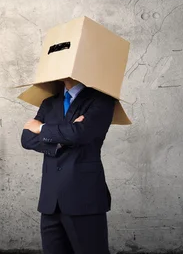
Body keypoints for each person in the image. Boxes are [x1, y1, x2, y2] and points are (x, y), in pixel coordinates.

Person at [21, 78, 115, 254]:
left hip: (84, 197)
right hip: (50, 201)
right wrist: (62, 138)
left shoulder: (102, 100)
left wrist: (41, 128)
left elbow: (80, 134)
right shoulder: (49, 103)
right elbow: (26, 139)